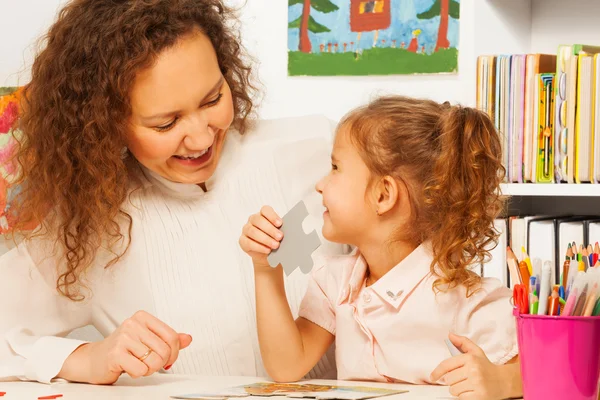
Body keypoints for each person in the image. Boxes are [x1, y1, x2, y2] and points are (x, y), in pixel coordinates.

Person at [0, 0, 344, 385]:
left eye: (213, 99)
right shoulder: (89, 222)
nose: (200, 138)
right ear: (106, 124)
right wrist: (90, 358)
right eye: (165, 123)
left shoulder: (323, 150)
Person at [240, 96, 523, 400]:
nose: (320, 184)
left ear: (383, 195)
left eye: (335, 167)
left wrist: (502, 382)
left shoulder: (461, 296)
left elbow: (544, 371)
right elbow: (287, 365)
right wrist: (265, 269)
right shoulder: (334, 281)